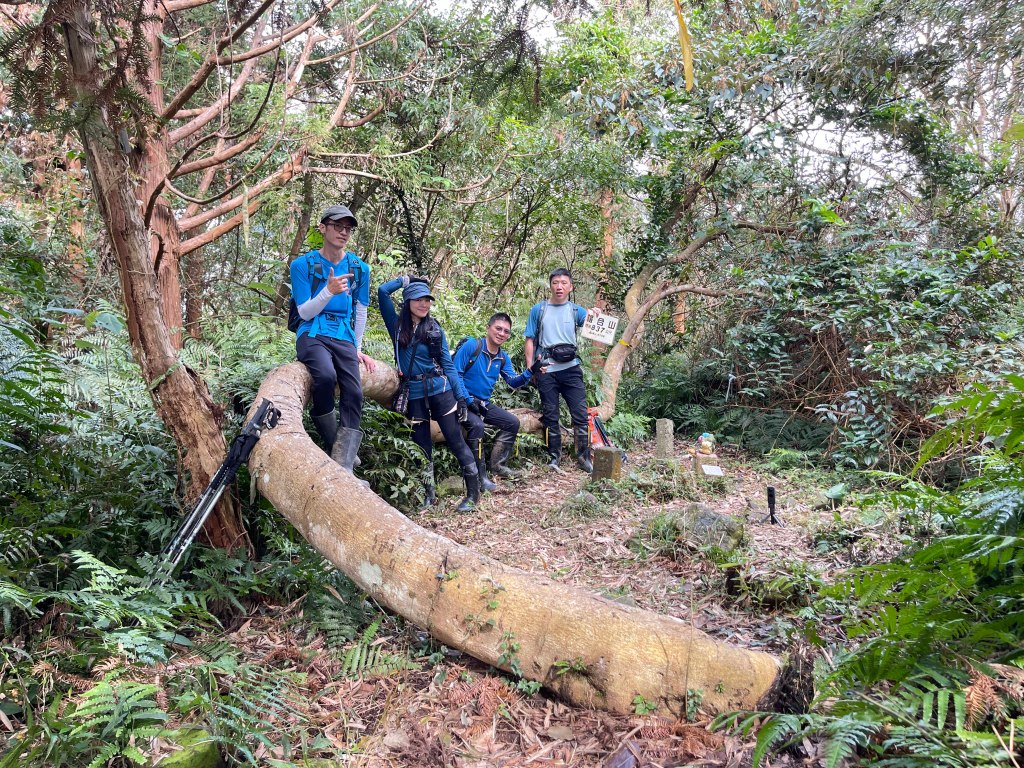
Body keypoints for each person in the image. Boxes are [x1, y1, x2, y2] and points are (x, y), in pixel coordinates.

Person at [378, 274, 480, 512]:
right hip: (413, 393)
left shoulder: (434, 329)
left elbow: (448, 365)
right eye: (418, 299)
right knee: (422, 445)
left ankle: (473, 494)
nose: (424, 304)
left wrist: (462, 397)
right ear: (407, 302)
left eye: (427, 300)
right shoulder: (397, 326)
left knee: (455, 440)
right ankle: (429, 495)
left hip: (440, 391)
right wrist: (406, 279)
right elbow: (383, 291)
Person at [291, 204, 376, 475]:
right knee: (326, 377)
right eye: (338, 226)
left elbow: (360, 310)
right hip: (312, 333)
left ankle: (345, 464)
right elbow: (304, 312)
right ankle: (336, 446)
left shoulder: (359, 268)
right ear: (323, 228)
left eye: (348, 228)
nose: (343, 232)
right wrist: (328, 291)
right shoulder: (303, 265)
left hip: (343, 336)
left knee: (354, 391)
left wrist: (357, 347)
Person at [453, 312, 544, 488]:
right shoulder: (472, 346)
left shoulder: (503, 357)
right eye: (498, 328)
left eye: (506, 331)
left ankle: (498, 465)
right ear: (488, 328)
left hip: (482, 403)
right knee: (477, 426)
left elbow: (513, 382)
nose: (502, 333)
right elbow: (456, 373)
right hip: (460, 400)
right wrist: (468, 400)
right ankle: (480, 477)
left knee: (512, 422)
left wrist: (531, 370)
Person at [523, 268, 599, 472]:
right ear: (550, 285)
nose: (559, 286)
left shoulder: (576, 311)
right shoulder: (539, 310)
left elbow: (595, 326)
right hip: (546, 371)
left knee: (580, 414)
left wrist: (596, 314)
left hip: (571, 369)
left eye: (564, 283)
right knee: (550, 415)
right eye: (555, 282)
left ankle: (583, 457)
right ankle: (554, 457)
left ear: (570, 287)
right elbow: (529, 339)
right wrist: (531, 368)